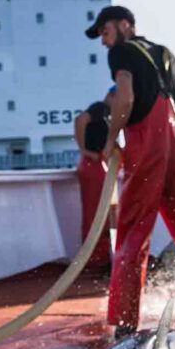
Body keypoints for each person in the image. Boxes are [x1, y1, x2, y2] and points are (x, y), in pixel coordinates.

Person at [85, 5, 175, 339]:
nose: (104, 43)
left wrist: (109, 139)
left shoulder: (121, 51)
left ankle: (125, 322)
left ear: (124, 26)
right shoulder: (165, 54)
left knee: (134, 229)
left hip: (147, 141)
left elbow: (126, 96)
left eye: (105, 33)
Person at [73, 97, 114, 269]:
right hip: (93, 165)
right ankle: (95, 258)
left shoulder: (106, 115)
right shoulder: (101, 109)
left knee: (101, 213)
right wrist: (85, 151)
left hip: (98, 165)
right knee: (95, 213)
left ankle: (101, 255)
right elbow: (80, 119)